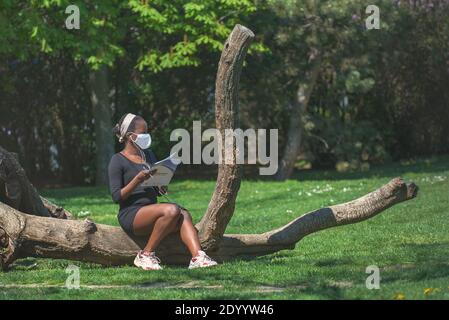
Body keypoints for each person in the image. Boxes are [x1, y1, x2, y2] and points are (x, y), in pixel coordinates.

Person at [108, 113, 218, 270]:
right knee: (172, 209)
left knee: (183, 213)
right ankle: (145, 255)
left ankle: (198, 257)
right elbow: (116, 196)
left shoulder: (148, 155)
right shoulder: (117, 160)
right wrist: (137, 180)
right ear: (130, 136)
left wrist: (160, 185)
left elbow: (154, 188)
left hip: (152, 211)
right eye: (143, 133)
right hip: (131, 214)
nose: (147, 136)